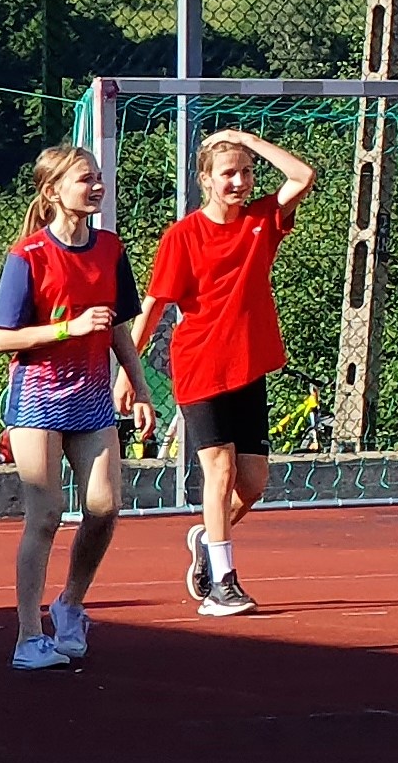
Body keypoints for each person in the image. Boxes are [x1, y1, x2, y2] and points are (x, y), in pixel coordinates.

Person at [134, 130, 317, 616]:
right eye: (228, 173)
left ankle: (207, 539)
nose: (239, 181)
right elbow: (154, 306)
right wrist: (129, 370)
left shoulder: (261, 220)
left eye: (246, 172)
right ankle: (223, 584)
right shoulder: (182, 237)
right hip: (200, 365)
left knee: (252, 483)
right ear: (206, 180)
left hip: (249, 366)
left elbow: (302, 176)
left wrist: (243, 139)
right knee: (220, 470)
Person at [0, 145, 156, 670]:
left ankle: (70, 605)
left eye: (98, 177)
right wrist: (68, 328)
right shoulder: (29, 256)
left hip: (92, 400)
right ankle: (27, 637)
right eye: (86, 179)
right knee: (45, 516)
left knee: (104, 508)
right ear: (53, 191)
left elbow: (119, 327)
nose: (96, 186)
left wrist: (139, 386)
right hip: (37, 400)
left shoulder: (110, 249)